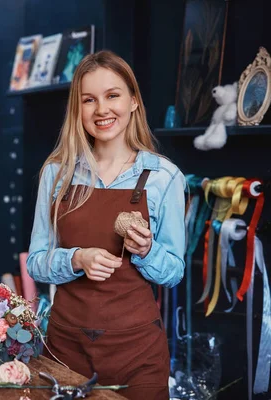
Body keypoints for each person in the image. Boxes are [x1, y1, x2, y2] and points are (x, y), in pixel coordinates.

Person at [27, 50, 186, 399]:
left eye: (112, 95)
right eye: (89, 100)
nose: (102, 110)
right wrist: (76, 259)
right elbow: (36, 261)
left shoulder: (164, 177)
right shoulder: (57, 173)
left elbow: (174, 271)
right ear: (78, 109)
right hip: (65, 349)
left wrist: (146, 251)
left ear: (133, 101)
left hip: (138, 353)